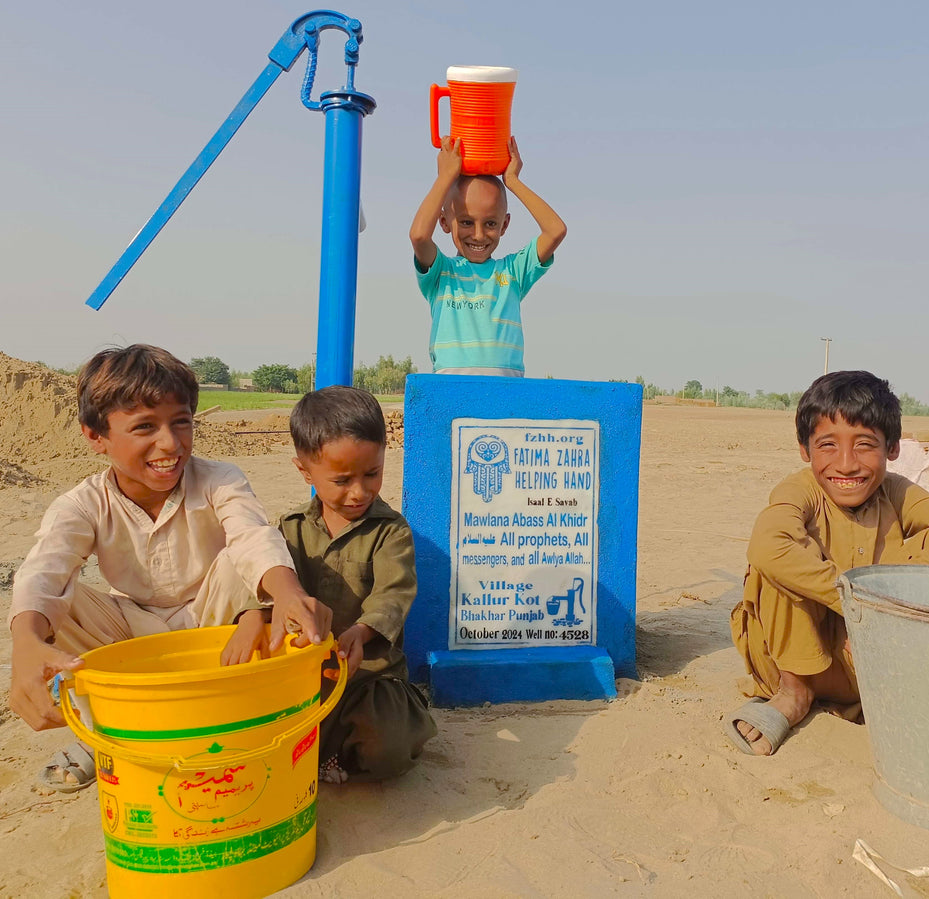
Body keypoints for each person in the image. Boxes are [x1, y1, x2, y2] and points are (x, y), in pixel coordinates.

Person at [9, 345, 331, 790]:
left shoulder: (220, 479)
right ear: (94, 436)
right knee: (59, 598)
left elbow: (252, 535)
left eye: (181, 422)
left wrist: (287, 595)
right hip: (134, 630)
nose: (171, 443)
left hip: (216, 624)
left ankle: (219, 719)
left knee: (241, 562)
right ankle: (104, 731)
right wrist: (25, 644)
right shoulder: (83, 504)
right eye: (145, 427)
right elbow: (45, 570)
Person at [725, 370, 929, 756]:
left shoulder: (895, 492)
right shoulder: (801, 489)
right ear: (805, 450)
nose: (846, 464)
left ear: (891, 449)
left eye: (864, 445)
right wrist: (853, 597)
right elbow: (768, 547)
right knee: (776, 563)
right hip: (795, 659)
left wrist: (883, 592)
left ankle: (880, 696)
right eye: (827, 445)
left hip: (869, 658)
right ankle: (794, 696)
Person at [282, 385, 437, 782]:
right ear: (305, 471)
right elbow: (270, 587)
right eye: (342, 480)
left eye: (373, 474)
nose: (360, 491)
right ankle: (322, 755)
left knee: (389, 744)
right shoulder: (290, 530)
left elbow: (394, 593)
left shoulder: (391, 531)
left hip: (368, 677)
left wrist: (360, 632)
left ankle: (338, 757)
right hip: (304, 676)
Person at [409, 135, 567, 376]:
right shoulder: (441, 273)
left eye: (491, 223)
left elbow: (556, 230)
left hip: (505, 395)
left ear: (505, 225)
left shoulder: (513, 272)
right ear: (444, 222)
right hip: (450, 393)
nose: (479, 235)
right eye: (465, 222)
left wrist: (512, 181)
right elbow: (419, 236)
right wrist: (445, 177)